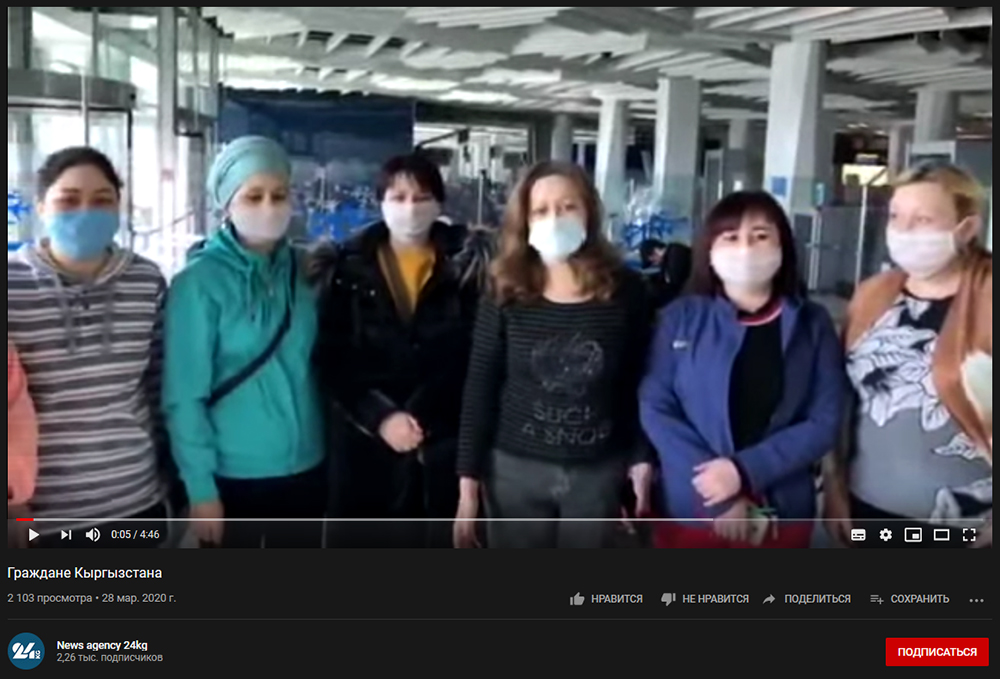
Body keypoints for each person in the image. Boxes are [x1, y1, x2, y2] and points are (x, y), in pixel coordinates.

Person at [453, 160, 655, 549]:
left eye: (568, 207)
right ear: (524, 221)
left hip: (598, 473)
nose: (555, 219)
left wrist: (641, 458)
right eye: (541, 210)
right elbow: (481, 385)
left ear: (589, 213)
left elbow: (636, 379)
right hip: (513, 473)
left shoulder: (625, 289)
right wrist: (468, 490)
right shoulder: (504, 288)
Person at [640, 191, 844, 548]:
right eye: (731, 237)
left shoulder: (813, 324)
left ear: (783, 246)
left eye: (760, 236)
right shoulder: (679, 319)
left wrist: (744, 471)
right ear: (709, 250)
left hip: (782, 509)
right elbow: (656, 406)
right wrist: (718, 492)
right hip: (695, 507)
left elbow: (825, 419)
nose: (746, 249)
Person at [311, 153, 483, 548]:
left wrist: (423, 416)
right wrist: (381, 417)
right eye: (398, 197)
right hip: (365, 445)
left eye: (422, 197)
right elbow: (332, 359)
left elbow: (475, 356)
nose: (410, 208)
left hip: (440, 446)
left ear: (439, 204)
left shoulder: (470, 268)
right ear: (381, 201)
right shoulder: (346, 268)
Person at [163, 136, 326, 548]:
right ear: (226, 204)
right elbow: (184, 396)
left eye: (279, 195)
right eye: (254, 196)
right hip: (232, 475)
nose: (269, 207)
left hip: (306, 466)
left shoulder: (305, 271)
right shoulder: (198, 284)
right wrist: (200, 488)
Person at [6, 147, 169, 547]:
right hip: (40, 519)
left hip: (136, 503)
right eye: (68, 200)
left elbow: (158, 387)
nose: (86, 212)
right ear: (41, 207)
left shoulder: (146, 281)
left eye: (102, 200)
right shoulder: (11, 286)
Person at [824, 164, 991, 548]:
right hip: (868, 507)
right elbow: (841, 395)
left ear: (966, 228)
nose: (903, 231)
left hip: (967, 524)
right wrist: (833, 483)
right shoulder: (873, 294)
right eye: (896, 217)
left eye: (923, 219)